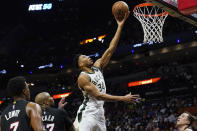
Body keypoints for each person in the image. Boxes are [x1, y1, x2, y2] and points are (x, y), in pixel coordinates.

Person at [73, 11, 140, 131]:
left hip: (99, 113)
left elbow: (111, 49)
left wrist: (120, 26)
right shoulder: (83, 77)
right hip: (87, 113)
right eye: (84, 57)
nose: (88, 57)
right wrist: (122, 98)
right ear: (80, 65)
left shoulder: (98, 66)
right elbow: (98, 96)